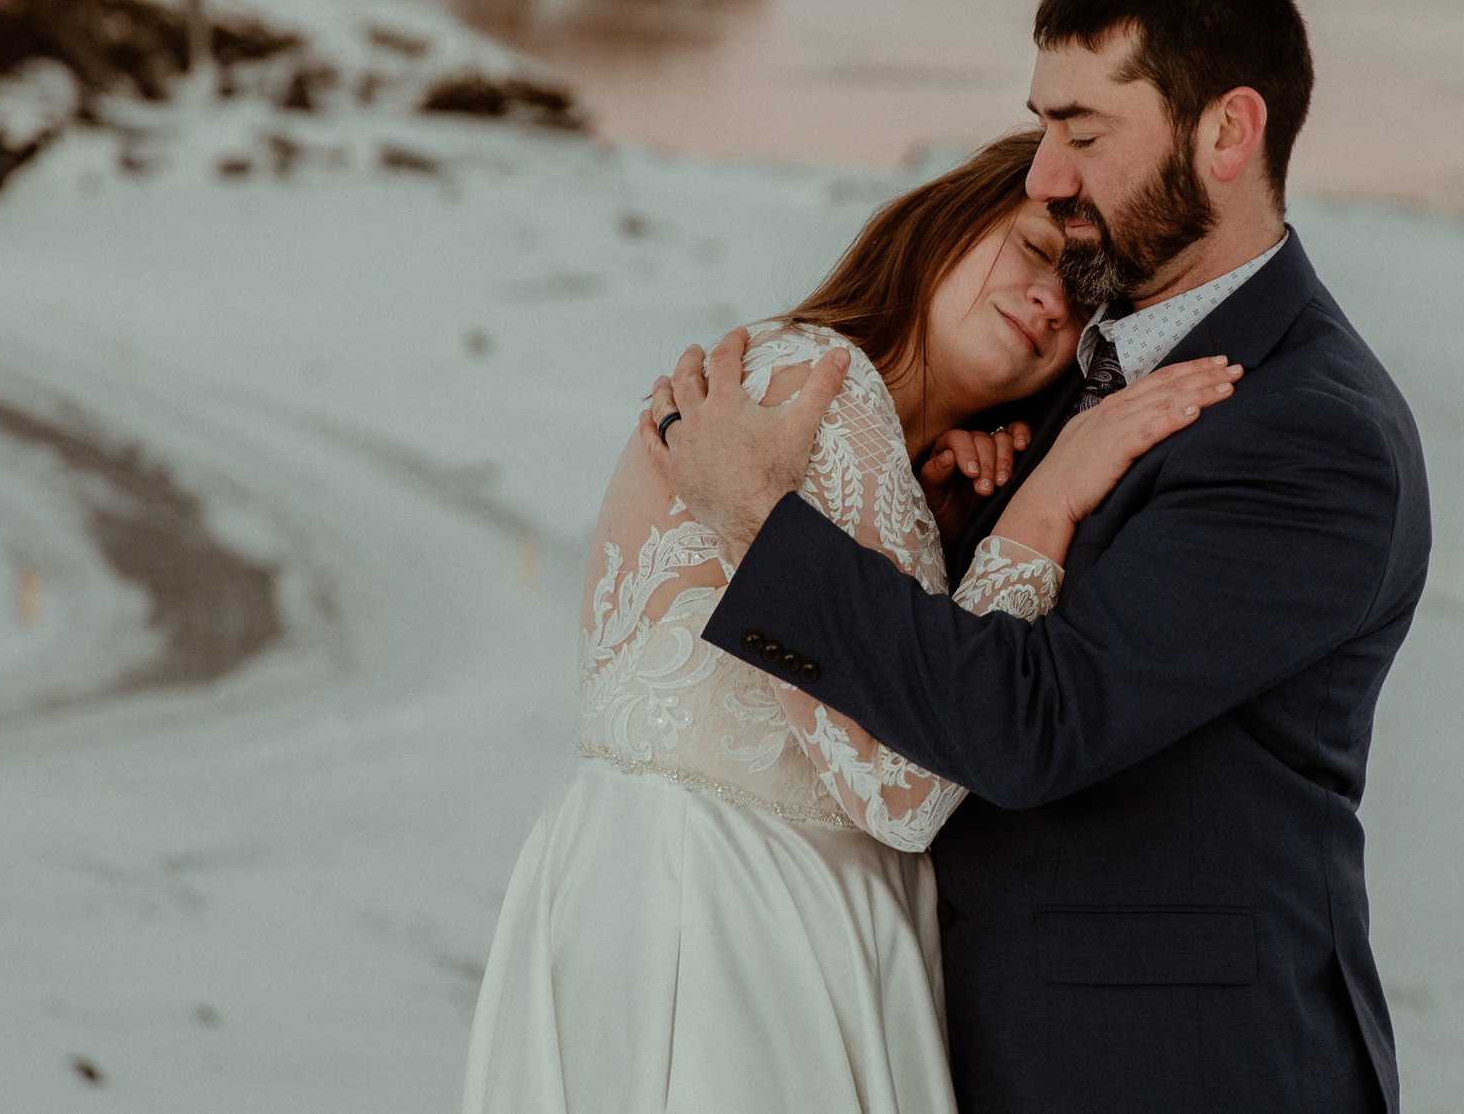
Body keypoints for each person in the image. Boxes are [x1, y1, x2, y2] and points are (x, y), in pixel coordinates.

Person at [650, 0, 1432, 1114]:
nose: (1046, 179)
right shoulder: (1073, 372)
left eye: (1084, 134)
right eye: (1042, 129)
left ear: (1227, 133)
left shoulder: (1310, 435)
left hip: (1178, 1070)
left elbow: (1036, 724)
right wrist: (952, 515)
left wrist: (763, 523)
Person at [462, 129, 1245, 1114]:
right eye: (1035, 250)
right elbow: (903, 789)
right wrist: (1050, 499)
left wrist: (946, 540)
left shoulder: (834, 398)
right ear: (944, 224)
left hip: (638, 891)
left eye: (1087, 308)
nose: (1055, 302)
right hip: (736, 924)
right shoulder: (822, 394)